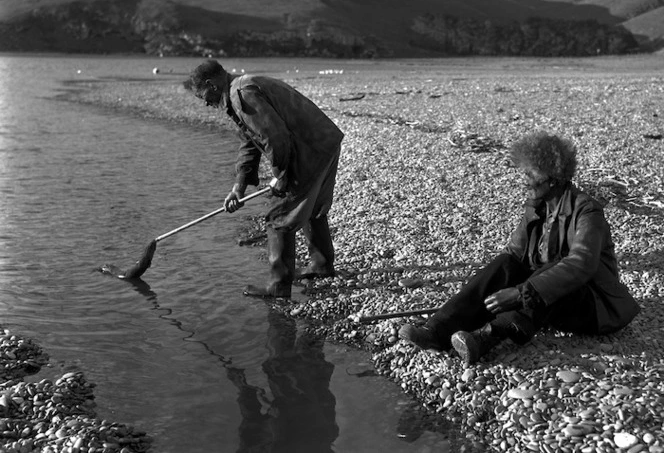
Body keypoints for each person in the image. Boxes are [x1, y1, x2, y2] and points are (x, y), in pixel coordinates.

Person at [399, 131, 640, 365]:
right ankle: (437, 330)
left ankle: (486, 337)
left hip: (594, 305)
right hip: (547, 297)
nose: (523, 178)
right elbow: (514, 254)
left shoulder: (587, 211)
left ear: (553, 177)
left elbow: (580, 265)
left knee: (558, 267)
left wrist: (520, 293)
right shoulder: (537, 206)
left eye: (530, 172)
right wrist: (494, 293)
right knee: (505, 264)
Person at [185, 60, 344, 298]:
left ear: (211, 84)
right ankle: (321, 266)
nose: (206, 103)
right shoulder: (239, 90)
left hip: (310, 148)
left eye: (203, 96)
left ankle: (279, 286)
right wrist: (238, 187)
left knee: (277, 217)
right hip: (324, 141)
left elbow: (276, 138)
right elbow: (250, 142)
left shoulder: (242, 94)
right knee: (313, 207)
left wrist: (281, 176)